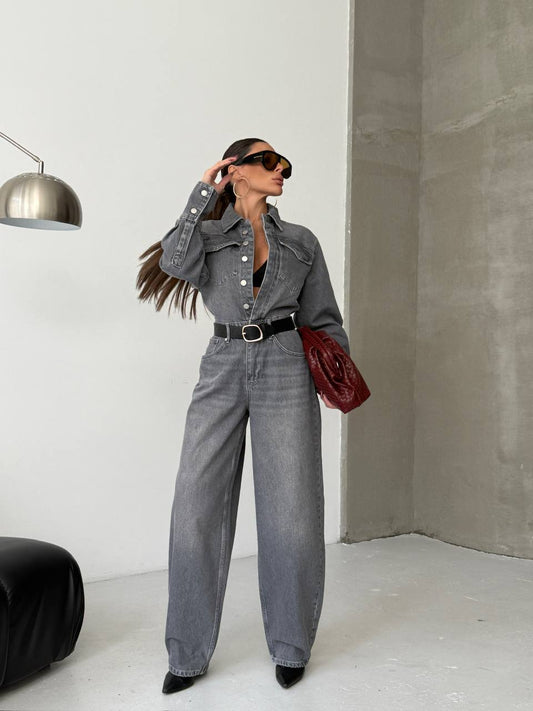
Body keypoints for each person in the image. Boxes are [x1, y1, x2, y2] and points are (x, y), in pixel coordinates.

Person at [137, 138, 350, 693]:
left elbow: (323, 317)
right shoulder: (205, 236)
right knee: (195, 508)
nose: (281, 170)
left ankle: (291, 645)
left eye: (286, 165)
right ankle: (186, 654)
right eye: (269, 161)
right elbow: (172, 262)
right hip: (223, 364)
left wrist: (336, 375)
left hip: (286, 365)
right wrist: (200, 192)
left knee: (292, 511)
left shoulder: (301, 241)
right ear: (236, 171)